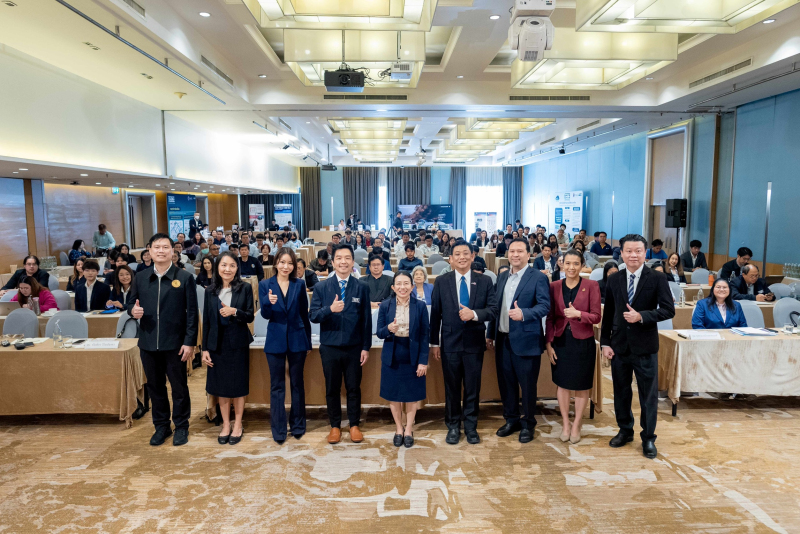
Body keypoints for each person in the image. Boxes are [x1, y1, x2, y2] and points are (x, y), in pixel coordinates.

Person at [600, 234, 675, 459]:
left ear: (645, 253)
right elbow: (608, 313)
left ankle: (648, 437)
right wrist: (605, 342)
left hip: (645, 346)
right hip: (619, 345)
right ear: (622, 253)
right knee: (621, 392)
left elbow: (668, 310)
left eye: (638, 251)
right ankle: (625, 430)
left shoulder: (657, 278)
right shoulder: (614, 279)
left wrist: (641, 316)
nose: (633, 255)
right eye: (629, 251)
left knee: (648, 396)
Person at [128, 233, 199, 447]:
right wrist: (133, 311)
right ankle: (161, 426)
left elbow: (192, 313)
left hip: (175, 343)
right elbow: (130, 303)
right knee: (155, 387)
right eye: (156, 247)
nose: (161, 251)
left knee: (179, 387)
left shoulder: (184, 277)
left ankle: (182, 426)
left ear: (172, 251)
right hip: (148, 342)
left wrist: (190, 342)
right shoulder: (141, 277)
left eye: (165, 247)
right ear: (149, 251)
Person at [429, 240, 497, 445]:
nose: (462, 257)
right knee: (451, 387)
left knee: (472, 387)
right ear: (450, 259)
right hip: (449, 343)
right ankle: (452, 425)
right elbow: (436, 315)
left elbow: (493, 310)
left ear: (473, 256)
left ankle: (470, 426)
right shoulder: (442, 281)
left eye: (465, 253)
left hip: (474, 342)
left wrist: (474, 314)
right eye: (457, 254)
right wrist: (434, 343)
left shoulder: (484, 281)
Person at [486, 238, 549, 443]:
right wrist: (490, 333)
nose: (515, 255)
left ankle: (528, 423)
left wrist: (524, 314)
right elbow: (495, 308)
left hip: (527, 340)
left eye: (520, 251)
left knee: (528, 386)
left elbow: (544, 306)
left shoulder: (538, 277)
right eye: (512, 251)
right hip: (503, 339)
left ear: (528, 255)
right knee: (507, 383)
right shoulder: (502, 277)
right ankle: (511, 419)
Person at [309, 244, 372, 444]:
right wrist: (330, 309)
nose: (343, 262)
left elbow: (366, 320)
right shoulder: (321, 287)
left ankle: (354, 425)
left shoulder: (362, 287)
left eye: (347, 258)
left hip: (354, 347)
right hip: (330, 347)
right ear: (333, 262)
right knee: (332, 388)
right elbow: (313, 316)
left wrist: (366, 347)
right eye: (339, 258)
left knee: (354, 388)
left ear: (353, 262)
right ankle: (335, 426)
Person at [545, 249, 601, 444]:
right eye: (567, 263)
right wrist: (548, 344)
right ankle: (565, 423)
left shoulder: (591, 285)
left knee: (581, 385)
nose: (571, 267)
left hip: (583, 341)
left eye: (576, 264)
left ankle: (577, 423)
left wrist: (579, 315)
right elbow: (549, 318)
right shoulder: (553, 286)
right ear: (561, 264)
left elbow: (597, 316)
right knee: (562, 384)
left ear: (582, 265)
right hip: (560, 341)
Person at [200, 251, 254, 445]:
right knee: (221, 387)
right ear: (217, 267)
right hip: (217, 344)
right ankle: (225, 424)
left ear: (237, 268)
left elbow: (250, 315)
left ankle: (238, 424)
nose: (227, 269)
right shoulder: (210, 291)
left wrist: (235, 311)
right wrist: (205, 349)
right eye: (223, 265)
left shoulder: (245, 288)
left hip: (238, 343)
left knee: (238, 386)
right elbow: (206, 321)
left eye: (232, 265)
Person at [259, 248, 312, 443]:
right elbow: (265, 315)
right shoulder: (266, 284)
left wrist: (308, 341)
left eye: (290, 263)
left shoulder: (299, 284)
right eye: (282, 262)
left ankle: (298, 425)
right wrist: (267, 302)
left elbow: (304, 314)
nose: (286, 266)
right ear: (276, 264)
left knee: (297, 384)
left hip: (298, 339)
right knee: (277, 386)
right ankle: (279, 429)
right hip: (275, 340)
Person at [377, 271, 430, 448]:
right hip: (392, 355)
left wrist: (423, 361)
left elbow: (424, 335)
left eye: (406, 283)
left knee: (411, 395)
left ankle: (408, 429)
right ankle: (398, 428)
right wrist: (388, 329)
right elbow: (379, 332)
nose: (402, 287)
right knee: (394, 395)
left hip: (412, 354)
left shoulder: (420, 306)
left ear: (412, 286)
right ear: (393, 287)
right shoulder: (385, 305)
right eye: (398, 284)